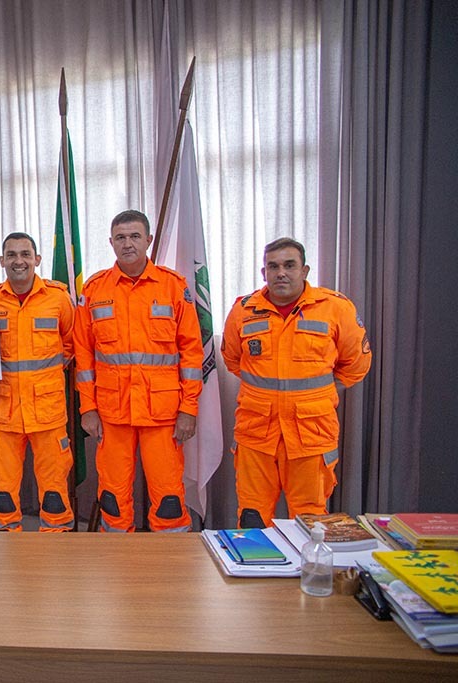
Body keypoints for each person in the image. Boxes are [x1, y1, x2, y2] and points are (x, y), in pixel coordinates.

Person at [222, 237, 372, 528]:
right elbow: (233, 360)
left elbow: (356, 364)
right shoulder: (243, 310)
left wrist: (317, 394)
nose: (281, 273)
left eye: (289, 265)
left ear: (304, 270)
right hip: (256, 432)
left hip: (310, 433)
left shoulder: (335, 308)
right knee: (252, 517)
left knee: (310, 520)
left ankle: (305, 562)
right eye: (273, 266)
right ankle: (255, 560)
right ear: (263, 273)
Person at [74, 210, 204, 533]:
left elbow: (191, 354)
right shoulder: (95, 289)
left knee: (169, 499)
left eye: (134, 236)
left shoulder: (173, 287)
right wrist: (87, 408)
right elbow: (84, 357)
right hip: (112, 412)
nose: (128, 244)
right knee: (113, 499)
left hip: (163, 414)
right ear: (111, 242)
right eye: (120, 237)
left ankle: (169, 559)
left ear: (148, 240)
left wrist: (189, 409)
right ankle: (117, 560)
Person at [0, 232, 75, 532]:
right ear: (2, 260)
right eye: (11, 255)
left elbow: (71, 344)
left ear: (37, 259)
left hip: (48, 412)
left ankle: (56, 550)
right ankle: (8, 553)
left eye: (25, 254)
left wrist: (44, 378)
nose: (18, 261)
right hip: (5, 414)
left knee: (55, 497)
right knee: (3, 498)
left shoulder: (58, 298)